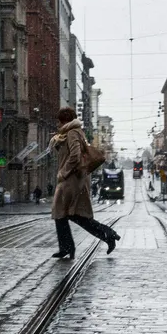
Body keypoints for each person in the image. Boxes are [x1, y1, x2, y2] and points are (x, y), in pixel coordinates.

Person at [50, 106, 120, 259]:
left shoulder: (72, 133)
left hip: (72, 179)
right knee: (70, 215)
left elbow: (75, 155)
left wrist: (63, 172)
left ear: (64, 121)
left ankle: (69, 247)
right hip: (72, 179)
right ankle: (106, 235)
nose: (57, 124)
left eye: (59, 121)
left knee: (65, 213)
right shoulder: (67, 134)